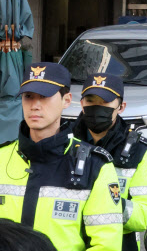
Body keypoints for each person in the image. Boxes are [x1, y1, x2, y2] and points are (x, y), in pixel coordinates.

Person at [0, 63, 123, 251]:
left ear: (67, 100)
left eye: (45, 96)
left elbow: (107, 245)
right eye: (28, 97)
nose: (35, 105)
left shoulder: (95, 166)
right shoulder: (2, 157)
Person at [71, 73, 147, 251]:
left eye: (104, 102)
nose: (97, 108)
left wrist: (106, 204)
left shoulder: (139, 151)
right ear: (81, 104)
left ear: (121, 107)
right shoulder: (65, 143)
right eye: (90, 101)